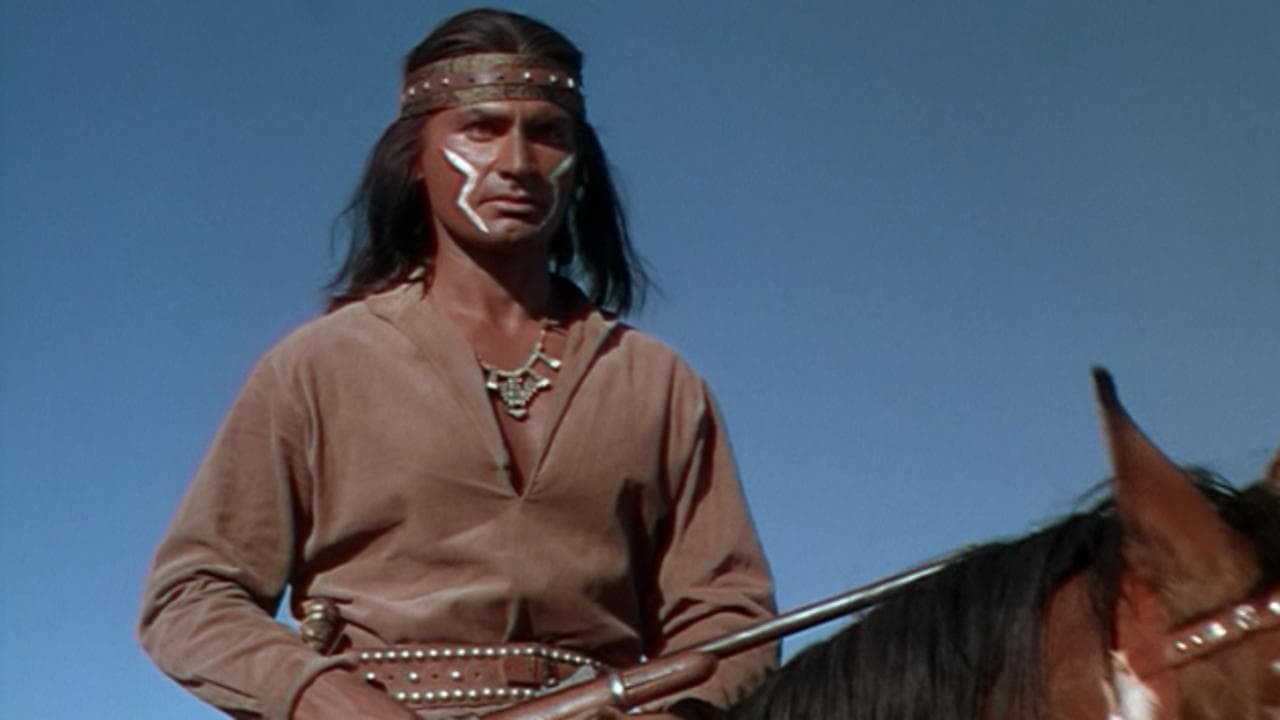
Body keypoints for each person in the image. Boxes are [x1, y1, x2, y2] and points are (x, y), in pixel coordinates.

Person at [138, 9, 776, 720]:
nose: (517, 162)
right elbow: (191, 596)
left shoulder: (656, 381)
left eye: (547, 133)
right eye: (481, 128)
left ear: (580, 166)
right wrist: (328, 698)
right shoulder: (318, 366)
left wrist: (678, 714)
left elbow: (728, 614)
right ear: (414, 157)